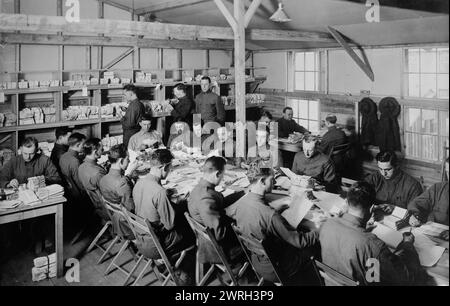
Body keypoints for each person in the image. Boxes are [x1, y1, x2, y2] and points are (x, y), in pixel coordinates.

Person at [319, 181, 426, 285]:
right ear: (371, 209)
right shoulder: (373, 245)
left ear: (347, 203)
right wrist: (407, 245)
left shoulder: (327, 224)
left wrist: (361, 229)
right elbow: (404, 278)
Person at [227, 170, 319, 285]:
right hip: (277, 268)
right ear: (262, 181)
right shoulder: (270, 216)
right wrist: (319, 230)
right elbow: (300, 242)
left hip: (256, 261)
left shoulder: (242, 202)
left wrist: (277, 210)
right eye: (272, 179)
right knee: (314, 248)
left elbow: (257, 215)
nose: (275, 182)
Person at [133, 149, 195, 260]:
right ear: (164, 167)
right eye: (170, 168)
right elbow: (169, 225)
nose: (170, 170)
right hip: (156, 245)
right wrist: (182, 202)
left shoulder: (139, 182)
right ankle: (186, 272)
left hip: (140, 238)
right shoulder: (159, 192)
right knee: (192, 231)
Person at [187, 156, 241, 263]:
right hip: (218, 249)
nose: (223, 179)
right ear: (217, 174)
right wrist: (238, 222)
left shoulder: (199, 189)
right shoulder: (206, 198)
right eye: (222, 175)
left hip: (207, 241)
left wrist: (243, 193)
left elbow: (221, 201)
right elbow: (219, 234)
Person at [99, 144, 138, 239]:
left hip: (117, 219)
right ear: (121, 160)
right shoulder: (122, 183)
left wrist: (128, 176)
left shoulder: (103, 178)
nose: (129, 162)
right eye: (128, 159)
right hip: (128, 225)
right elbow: (131, 209)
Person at [408, 158, 449, 240]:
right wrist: (415, 215)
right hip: (432, 237)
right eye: (448, 172)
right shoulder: (439, 188)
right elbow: (417, 203)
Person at [78, 138, 108, 221]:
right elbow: (110, 191)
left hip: (94, 204)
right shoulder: (97, 172)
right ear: (95, 152)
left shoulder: (81, 167)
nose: (103, 150)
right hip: (106, 208)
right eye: (101, 149)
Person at [59, 133, 86, 201]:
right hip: (79, 196)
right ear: (78, 145)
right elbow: (81, 184)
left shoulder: (63, 156)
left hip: (69, 192)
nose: (85, 147)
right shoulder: (75, 161)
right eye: (83, 145)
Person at [121, 84, 146, 149]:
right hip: (136, 133)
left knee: (129, 152)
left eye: (125, 95)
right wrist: (127, 111)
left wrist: (121, 117)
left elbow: (129, 124)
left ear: (131, 94)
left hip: (130, 135)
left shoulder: (133, 105)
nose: (124, 97)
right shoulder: (139, 103)